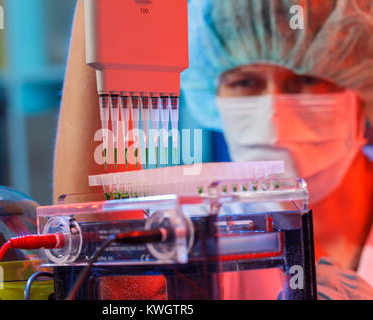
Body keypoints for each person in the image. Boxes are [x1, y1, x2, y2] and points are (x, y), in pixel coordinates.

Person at [54, 0, 373, 299]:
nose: (273, 113)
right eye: (245, 82)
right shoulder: (196, 235)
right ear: (213, 91)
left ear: (362, 86)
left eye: (305, 78)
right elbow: (105, 274)